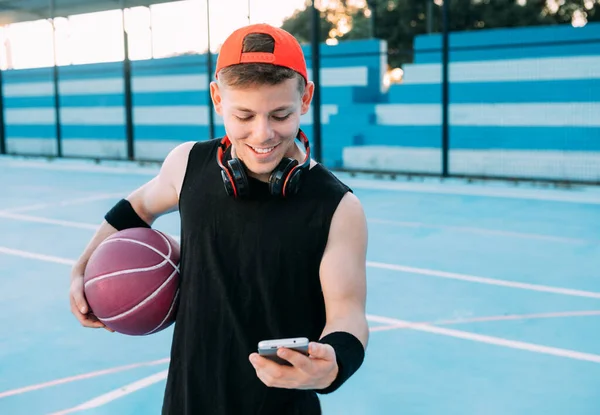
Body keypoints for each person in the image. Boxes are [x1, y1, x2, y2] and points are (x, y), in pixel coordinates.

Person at [69, 23, 369, 414]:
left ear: (306, 98)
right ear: (217, 98)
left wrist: (332, 365)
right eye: (243, 115)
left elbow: (348, 314)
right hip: (187, 401)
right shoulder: (187, 165)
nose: (263, 134)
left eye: (281, 114)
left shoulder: (338, 207)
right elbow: (137, 207)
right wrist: (83, 266)